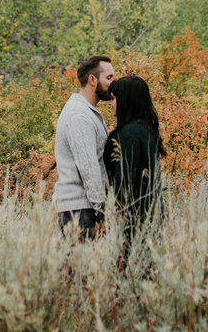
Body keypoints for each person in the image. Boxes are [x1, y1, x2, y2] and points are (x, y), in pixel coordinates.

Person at [104, 75, 165, 261]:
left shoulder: (129, 134)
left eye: (114, 98)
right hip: (151, 213)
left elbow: (123, 180)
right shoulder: (147, 130)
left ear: (126, 101)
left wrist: (110, 215)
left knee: (128, 270)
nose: (111, 104)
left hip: (133, 218)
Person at [54, 54, 114, 239]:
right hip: (79, 210)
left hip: (83, 208)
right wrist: (103, 213)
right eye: (109, 77)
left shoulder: (87, 112)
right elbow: (88, 168)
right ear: (92, 80)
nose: (114, 83)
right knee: (81, 267)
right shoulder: (79, 116)